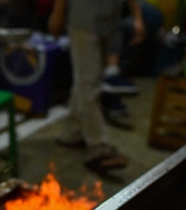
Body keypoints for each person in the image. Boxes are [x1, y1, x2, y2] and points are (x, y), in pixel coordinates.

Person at [48, 0, 145, 172]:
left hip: (109, 22)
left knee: (87, 80)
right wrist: (58, 14)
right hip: (84, 21)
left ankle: (73, 132)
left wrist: (137, 18)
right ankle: (98, 147)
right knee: (89, 85)